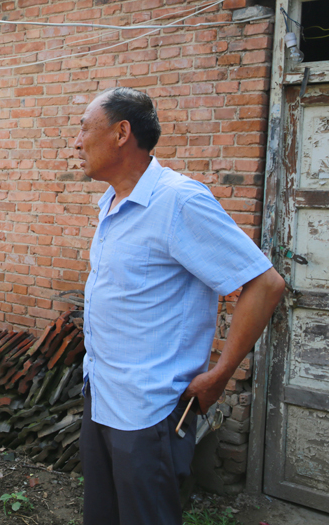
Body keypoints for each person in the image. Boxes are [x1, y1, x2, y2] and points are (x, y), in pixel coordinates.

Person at [74, 87, 286, 525]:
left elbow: (265, 285)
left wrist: (220, 376)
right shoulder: (111, 203)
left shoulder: (178, 201)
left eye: (83, 129)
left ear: (121, 133)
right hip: (102, 397)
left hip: (149, 414)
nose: (77, 142)